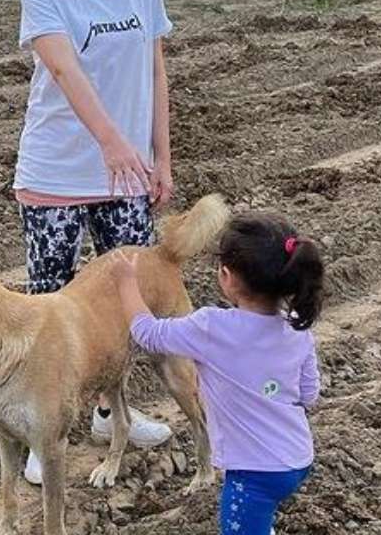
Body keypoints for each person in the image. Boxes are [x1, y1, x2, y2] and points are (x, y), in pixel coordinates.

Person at [13, 0, 175, 485]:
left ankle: (113, 413)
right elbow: (64, 68)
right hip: (57, 171)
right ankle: (42, 430)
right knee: (51, 308)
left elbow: (155, 69)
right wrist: (111, 141)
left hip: (128, 174)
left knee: (125, 302)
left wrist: (159, 154)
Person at [111, 212, 326, 535]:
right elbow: (309, 394)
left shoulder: (212, 327)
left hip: (253, 474)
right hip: (296, 459)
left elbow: (148, 333)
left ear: (226, 276)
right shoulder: (296, 323)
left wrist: (127, 283)